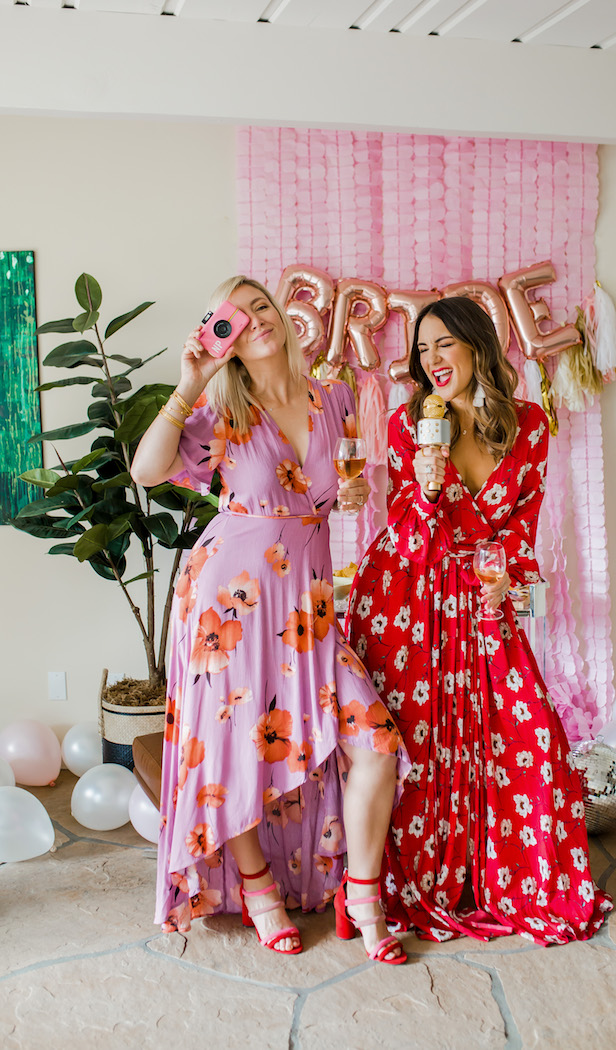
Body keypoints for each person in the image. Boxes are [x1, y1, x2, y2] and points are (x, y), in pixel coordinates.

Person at [131, 276, 410, 962]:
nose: (253, 318)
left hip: (307, 607)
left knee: (376, 744)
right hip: (227, 600)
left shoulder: (336, 396)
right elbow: (146, 470)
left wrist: (348, 494)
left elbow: (347, 492)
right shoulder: (225, 407)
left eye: (262, 305)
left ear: (282, 320)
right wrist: (190, 380)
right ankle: (256, 884)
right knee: (236, 750)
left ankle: (363, 893)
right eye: (235, 312)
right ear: (220, 333)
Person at [346, 296, 612, 945]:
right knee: (423, 746)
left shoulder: (527, 425)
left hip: (483, 599)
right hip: (409, 600)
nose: (433, 360)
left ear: (476, 345)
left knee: (526, 736)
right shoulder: (412, 425)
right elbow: (404, 536)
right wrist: (429, 488)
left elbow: (523, 531)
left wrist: (509, 584)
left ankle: (505, 875)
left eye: (445, 344)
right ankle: (404, 880)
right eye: (423, 349)